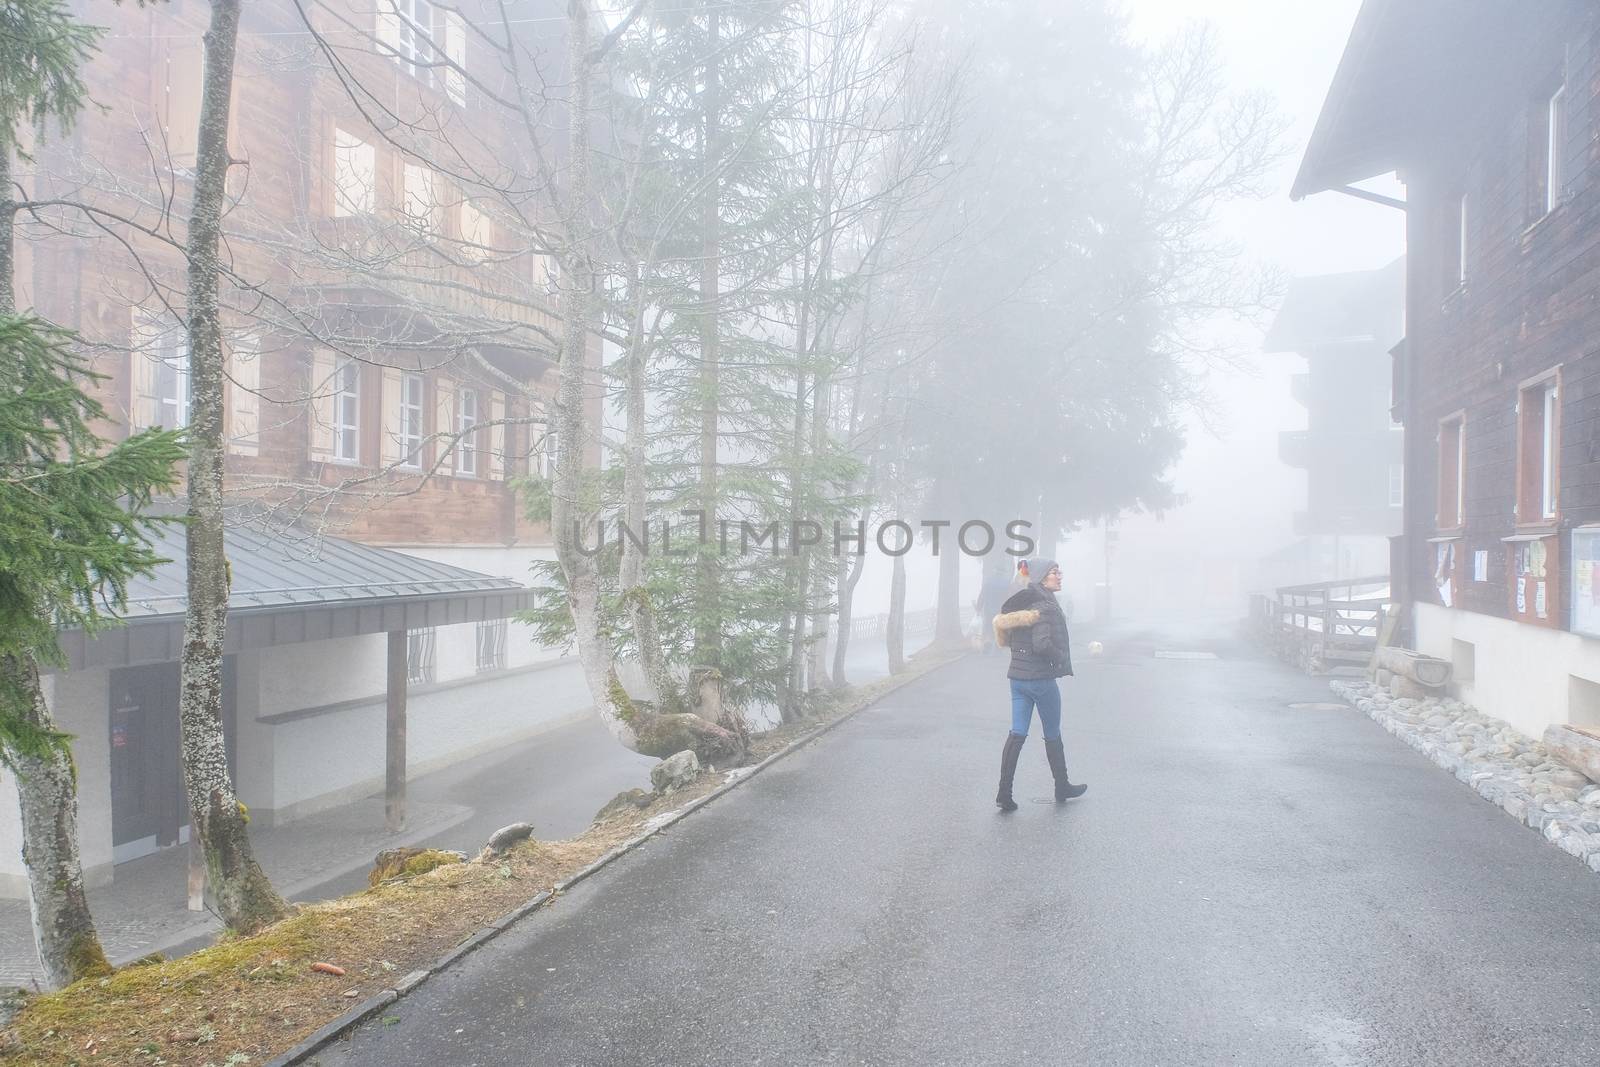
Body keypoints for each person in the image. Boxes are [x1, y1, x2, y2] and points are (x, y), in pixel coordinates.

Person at [990, 557, 1087, 811]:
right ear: (1043, 577)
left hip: (1018, 680)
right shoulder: (1045, 605)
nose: (1060, 575)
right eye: (1055, 572)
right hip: (1041, 680)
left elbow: (1010, 639)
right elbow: (1042, 644)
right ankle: (1062, 785)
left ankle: (1004, 793)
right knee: (1052, 732)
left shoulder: (1020, 603)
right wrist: (1060, 657)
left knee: (1017, 732)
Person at [975, 559, 1013, 656]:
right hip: (1001, 610)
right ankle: (997, 647)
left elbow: (982, 595)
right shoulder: (1006, 583)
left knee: (988, 627)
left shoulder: (988, 581)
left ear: (994, 570)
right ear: (1003, 572)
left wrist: (978, 608)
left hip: (988, 609)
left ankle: (987, 645)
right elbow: (1009, 597)